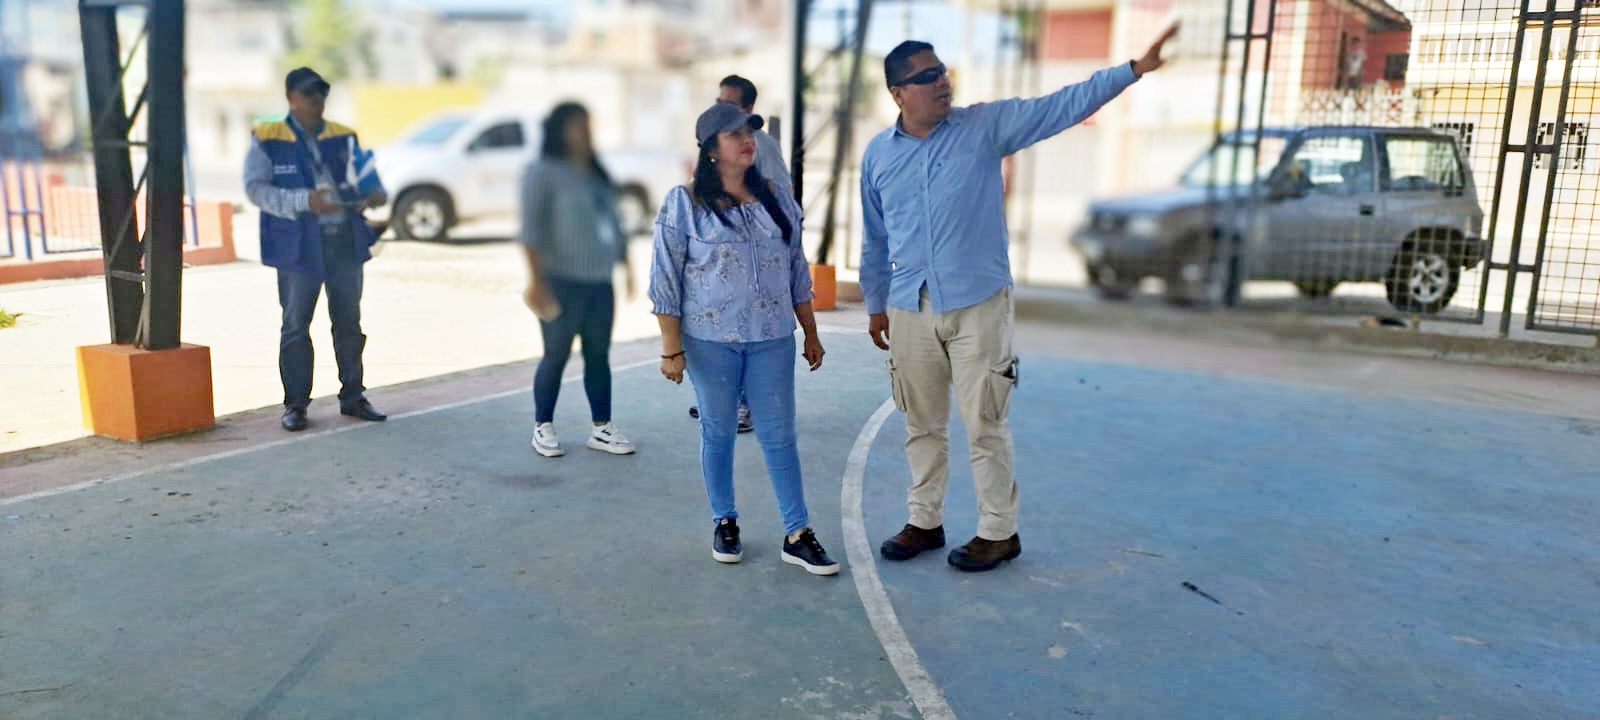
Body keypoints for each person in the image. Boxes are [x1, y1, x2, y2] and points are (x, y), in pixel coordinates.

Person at [860, 27, 1180, 572]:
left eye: (943, 71)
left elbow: (1060, 106)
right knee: (921, 423)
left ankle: (997, 532)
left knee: (985, 422)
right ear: (898, 93)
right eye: (927, 76)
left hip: (978, 303)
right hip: (910, 304)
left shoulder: (984, 127)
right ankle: (924, 521)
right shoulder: (878, 155)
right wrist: (875, 304)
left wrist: (1132, 70)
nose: (943, 82)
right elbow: (875, 236)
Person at [649, 102, 838, 576]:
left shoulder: (776, 197)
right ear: (711, 149)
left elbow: (796, 269)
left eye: (749, 132)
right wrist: (671, 348)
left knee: (779, 435)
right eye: (734, 134)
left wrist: (810, 331)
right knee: (718, 430)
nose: (747, 140)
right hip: (709, 340)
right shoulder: (684, 203)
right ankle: (724, 520)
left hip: (772, 337)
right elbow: (665, 278)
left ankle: (797, 533)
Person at [245, 67, 388, 433]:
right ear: (290, 97)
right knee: (295, 326)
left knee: (349, 323)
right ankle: (295, 405)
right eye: (309, 93)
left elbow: (367, 177)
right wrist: (304, 201)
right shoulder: (268, 137)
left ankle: (353, 396)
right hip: (298, 248)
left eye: (322, 92)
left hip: (344, 242)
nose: (317, 100)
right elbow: (256, 189)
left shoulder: (344, 135)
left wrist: (375, 194)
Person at [520, 101, 637, 458]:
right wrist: (536, 282)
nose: (585, 132)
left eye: (587, 124)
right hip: (560, 281)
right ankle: (543, 425)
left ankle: (602, 427)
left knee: (598, 354)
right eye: (577, 125)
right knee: (556, 354)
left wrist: (626, 265)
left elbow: (613, 221)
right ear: (559, 130)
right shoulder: (542, 172)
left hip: (599, 281)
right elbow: (531, 231)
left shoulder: (595, 171)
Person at [685, 74, 795, 433]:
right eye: (719, 102)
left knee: (752, 334)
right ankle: (725, 401)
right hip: (724, 285)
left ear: (748, 108)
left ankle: (745, 406)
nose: (721, 109)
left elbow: (782, 198)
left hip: (758, 272)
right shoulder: (702, 174)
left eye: (729, 104)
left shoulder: (761, 147)